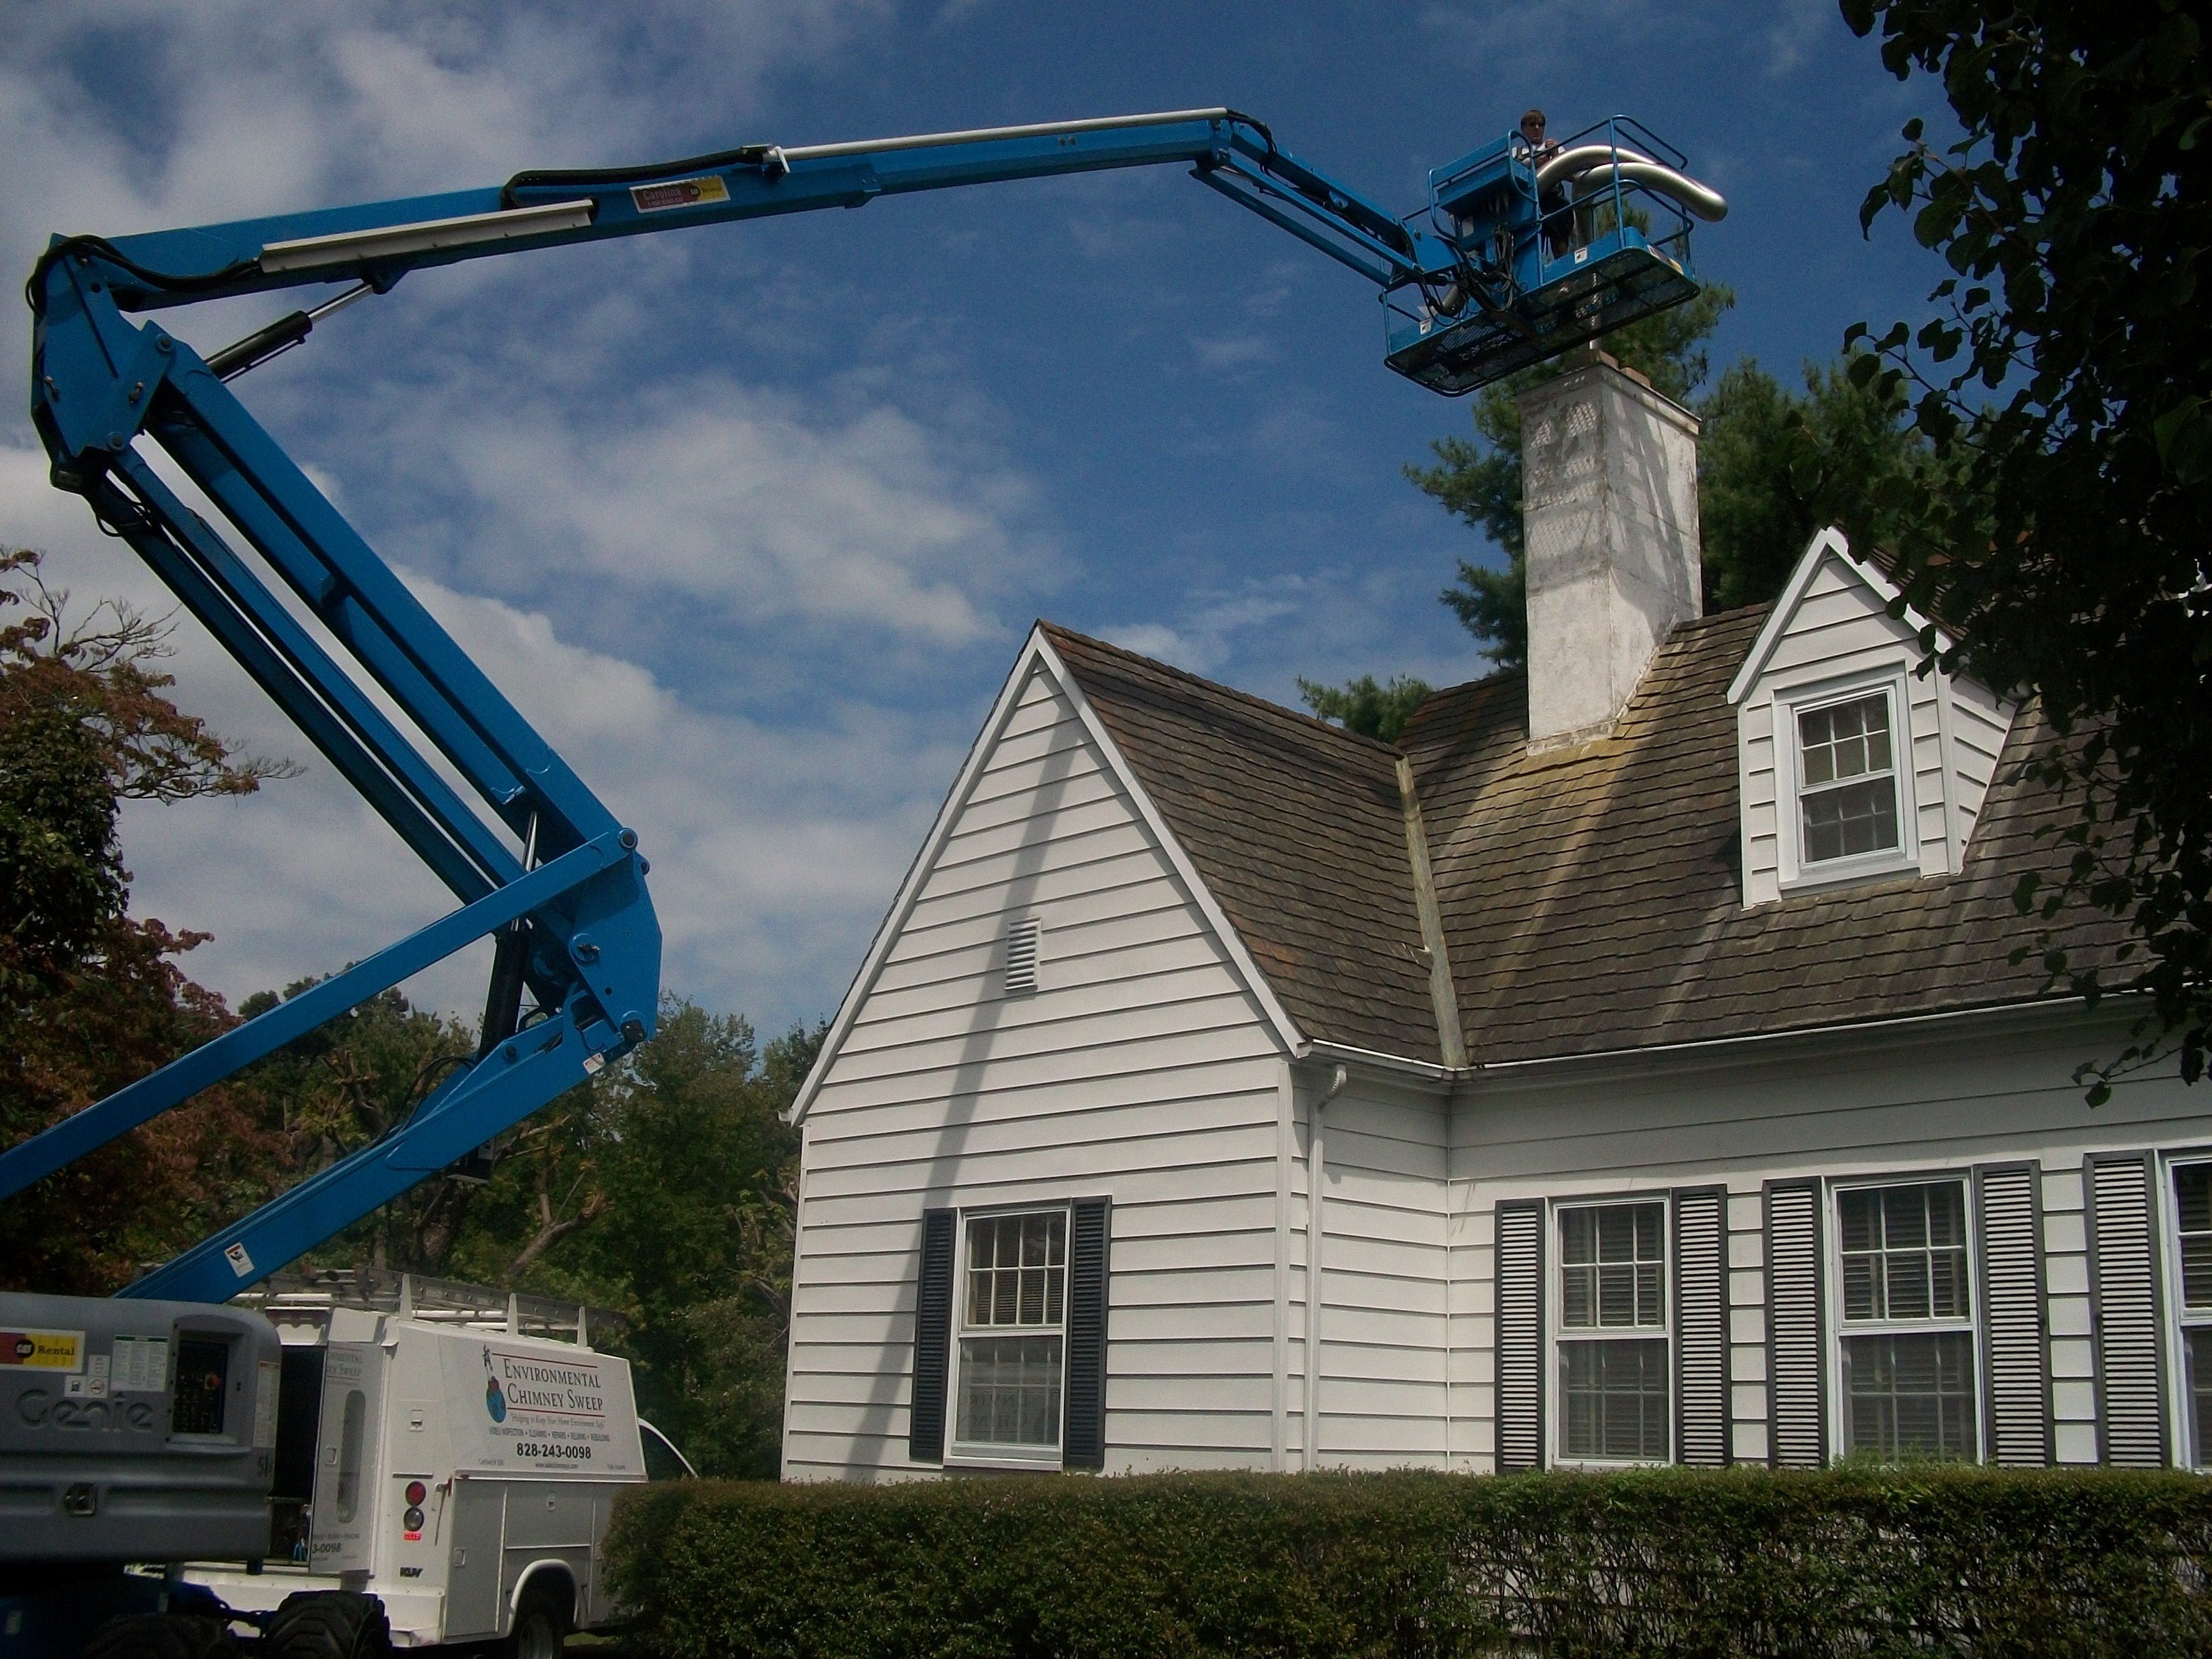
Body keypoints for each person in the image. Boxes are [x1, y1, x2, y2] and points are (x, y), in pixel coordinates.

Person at [1516, 108, 1572, 261]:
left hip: (1553, 201)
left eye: (1540, 125)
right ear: (1523, 129)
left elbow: (1572, 174)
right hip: (1526, 204)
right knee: (1526, 250)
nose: (1537, 128)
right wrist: (1533, 163)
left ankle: (1565, 275)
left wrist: (1555, 157)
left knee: (1560, 239)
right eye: (1532, 124)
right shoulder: (1515, 152)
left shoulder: (1555, 147)